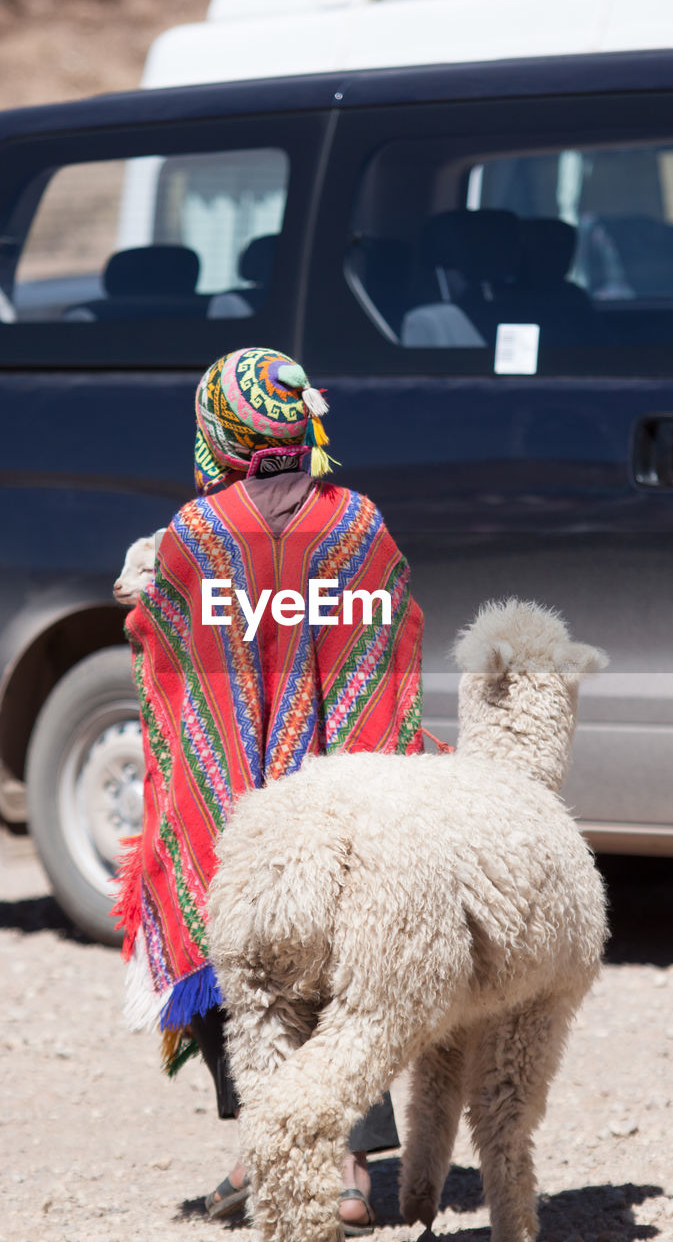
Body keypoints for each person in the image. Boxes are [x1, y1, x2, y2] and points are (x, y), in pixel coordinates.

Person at [114, 347, 430, 1236]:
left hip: (237, 813)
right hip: (343, 808)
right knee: (345, 966)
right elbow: (394, 645)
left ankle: (291, 1159)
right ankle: (329, 1169)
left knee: (226, 944)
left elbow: (163, 647)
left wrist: (140, 600)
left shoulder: (195, 535)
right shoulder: (361, 525)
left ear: (217, 429)